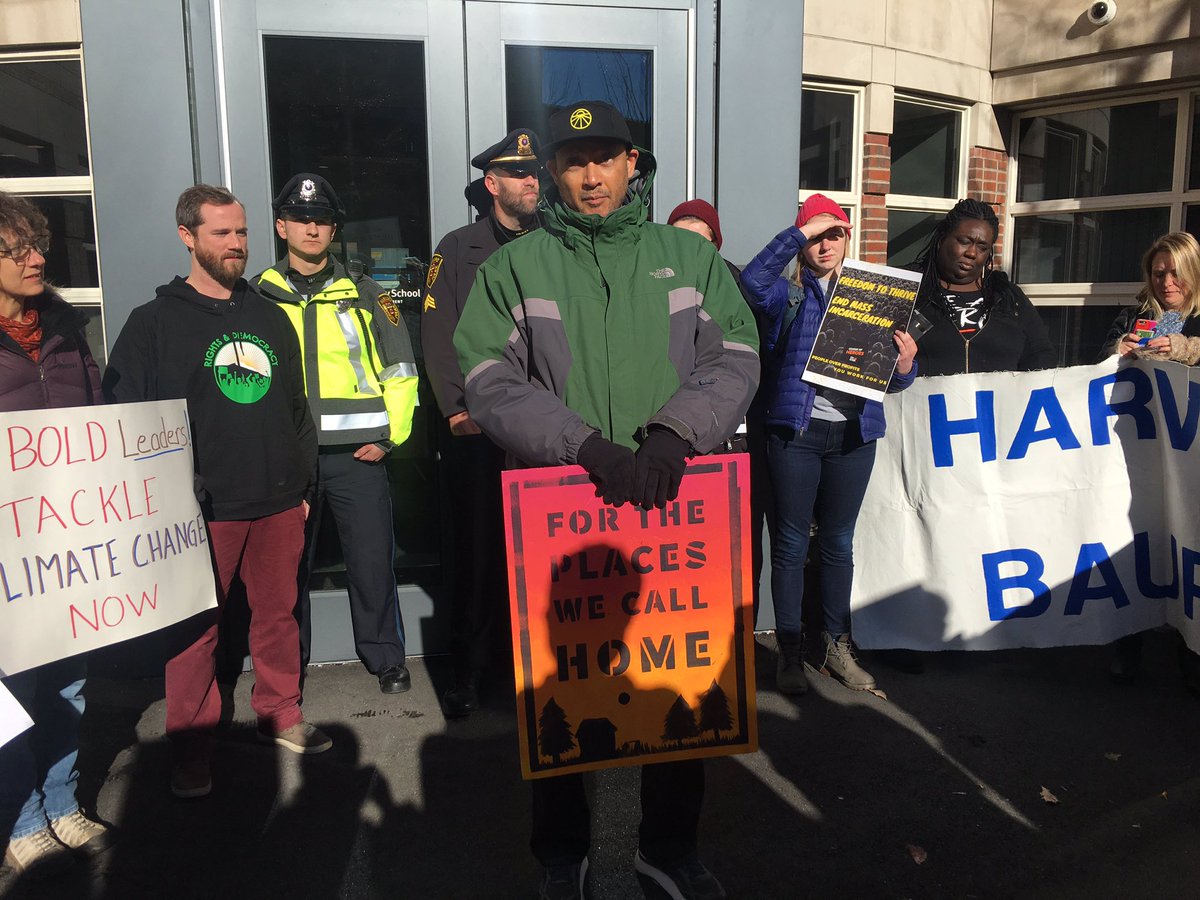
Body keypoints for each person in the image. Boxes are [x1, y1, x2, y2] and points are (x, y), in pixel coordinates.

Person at [454, 100, 759, 900]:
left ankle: (670, 845)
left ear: (634, 164)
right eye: (573, 160)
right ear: (551, 171)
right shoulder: (512, 269)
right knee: (561, 685)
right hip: (564, 503)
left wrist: (673, 436)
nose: (591, 175)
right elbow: (488, 381)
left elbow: (734, 356)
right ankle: (560, 853)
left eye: (607, 157)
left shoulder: (688, 261)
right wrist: (583, 446)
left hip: (670, 502)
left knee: (682, 679)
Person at [103, 185, 329, 800]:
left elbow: (294, 408)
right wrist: (166, 497)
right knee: (195, 634)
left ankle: (279, 714)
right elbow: (126, 418)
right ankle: (193, 747)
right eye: (222, 234)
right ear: (187, 236)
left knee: (278, 619)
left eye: (242, 232)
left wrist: (302, 483)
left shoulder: (268, 315)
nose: (237, 245)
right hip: (199, 512)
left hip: (279, 501)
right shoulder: (153, 324)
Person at [740, 194, 918, 695]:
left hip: (854, 435)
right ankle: (791, 654)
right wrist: (799, 232)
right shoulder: (786, 294)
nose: (824, 244)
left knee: (839, 543)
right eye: (815, 235)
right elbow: (751, 283)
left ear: (847, 239)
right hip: (795, 435)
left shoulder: (875, 295)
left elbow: (894, 377)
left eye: (834, 233)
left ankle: (837, 646)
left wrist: (906, 368)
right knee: (792, 545)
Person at [253, 173, 417, 695]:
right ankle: (287, 669)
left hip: (357, 457)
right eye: (301, 219)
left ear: (333, 229)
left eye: (321, 220)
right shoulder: (257, 297)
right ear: (281, 226)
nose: (311, 228)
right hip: (287, 461)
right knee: (286, 574)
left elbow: (403, 370)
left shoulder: (375, 294)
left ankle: (386, 658)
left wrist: (392, 434)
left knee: (371, 563)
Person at [0, 191, 108, 874]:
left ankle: (62, 802)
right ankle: (23, 818)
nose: (37, 257)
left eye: (37, 244)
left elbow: (102, 417)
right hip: (7, 554)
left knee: (68, 686)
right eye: (16, 250)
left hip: (66, 545)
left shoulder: (66, 328)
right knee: (13, 692)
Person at [421, 129, 542, 718]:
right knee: (477, 556)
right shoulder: (458, 247)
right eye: (520, 175)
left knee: (540, 555)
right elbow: (437, 335)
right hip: (479, 433)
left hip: (543, 432)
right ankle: (469, 672)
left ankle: (536, 670)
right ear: (493, 184)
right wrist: (454, 408)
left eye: (536, 174)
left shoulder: (558, 244)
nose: (532, 183)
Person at [1100, 230, 1200, 693]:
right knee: (1137, 540)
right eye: (1158, 272)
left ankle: (1191, 650)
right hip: (1139, 458)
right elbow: (1096, 371)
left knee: (1188, 545)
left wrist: (1186, 350)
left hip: (1189, 461)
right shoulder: (1134, 317)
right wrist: (1114, 353)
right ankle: (1129, 641)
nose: (1167, 281)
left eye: (1175, 271)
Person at [909, 197, 1056, 376]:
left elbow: (1042, 356)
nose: (972, 253)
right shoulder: (906, 288)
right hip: (920, 402)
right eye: (964, 241)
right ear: (941, 240)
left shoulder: (1008, 297)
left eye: (982, 247)